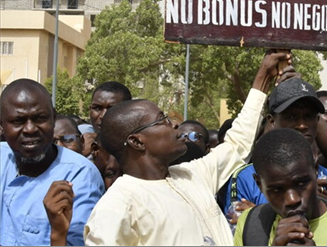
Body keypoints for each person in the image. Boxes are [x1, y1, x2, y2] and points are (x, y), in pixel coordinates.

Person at [84, 50, 293, 245]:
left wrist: (263, 78)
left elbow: (237, 144)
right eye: (161, 120)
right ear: (137, 142)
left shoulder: (191, 175)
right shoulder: (117, 206)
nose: (175, 124)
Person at [222, 77, 327, 223]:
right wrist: (264, 217)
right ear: (272, 121)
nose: (302, 125)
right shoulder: (246, 178)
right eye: (291, 117)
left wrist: (320, 209)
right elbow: (239, 229)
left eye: (308, 117)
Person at [0, 79, 104, 246]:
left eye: (40, 118)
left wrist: (58, 233)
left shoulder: (80, 175)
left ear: (53, 119)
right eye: (18, 121)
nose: (30, 129)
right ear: (2, 125)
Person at [234, 128, 327, 246]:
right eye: (277, 189)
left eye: (302, 183)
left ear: (316, 171)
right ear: (259, 185)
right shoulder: (250, 225)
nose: (292, 200)